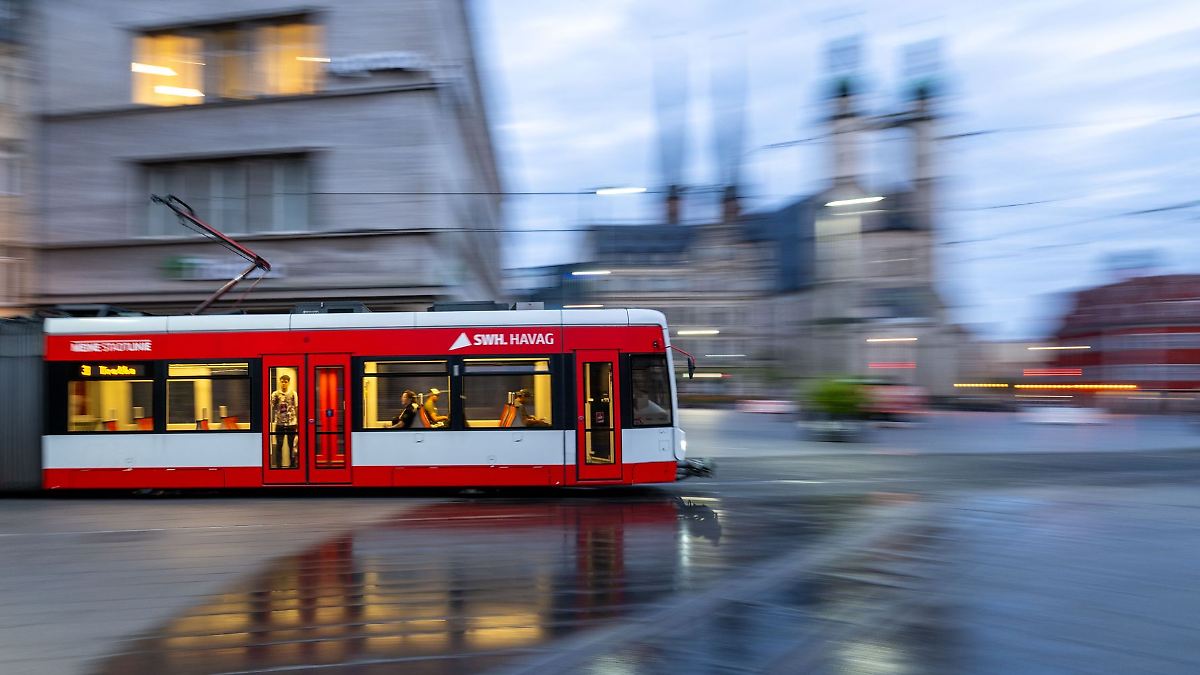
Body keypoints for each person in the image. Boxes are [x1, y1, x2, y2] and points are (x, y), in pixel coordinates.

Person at [270, 373, 298, 468]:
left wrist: (297, 422)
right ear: (279, 382)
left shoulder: (293, 394)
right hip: (279, 423)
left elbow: (296, 407)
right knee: (279, 446)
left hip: (291, 423)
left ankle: (292, 466)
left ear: (288, 383)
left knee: (292, 446)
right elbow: (271, 406)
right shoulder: (275, 394)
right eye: (282, 382)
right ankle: (279, 467)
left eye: (285, 382)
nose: (283, 384)